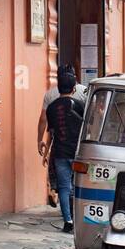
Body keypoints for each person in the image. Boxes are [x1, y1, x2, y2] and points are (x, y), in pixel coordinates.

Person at [44, 72, 86, 232]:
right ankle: (77, 219)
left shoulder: (52, 108)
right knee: (77, 187)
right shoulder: (80, 105)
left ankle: (67, 220)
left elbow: (52, 132)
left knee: (63, 187)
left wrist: (47, 149)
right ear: (74, 88)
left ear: (58, 87)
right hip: (78, 152)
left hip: (60, 152)